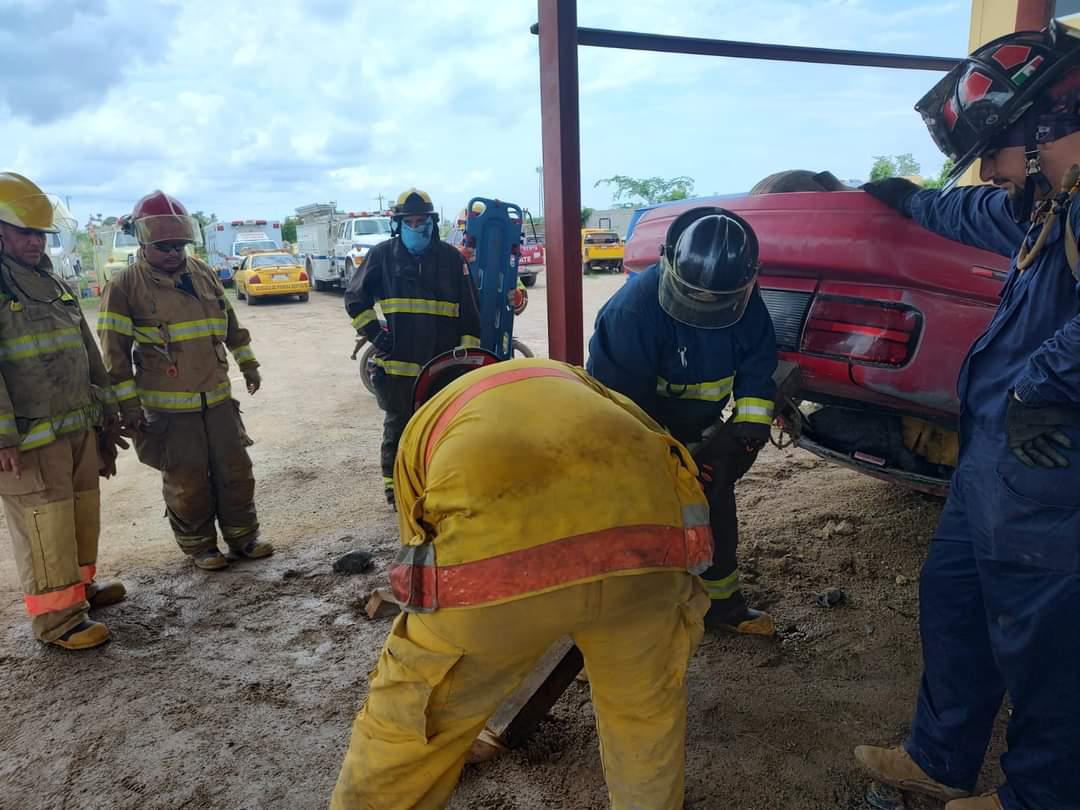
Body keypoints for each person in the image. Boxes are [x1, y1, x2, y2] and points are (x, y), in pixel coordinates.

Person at [855, 23, 1080, 810]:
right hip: (997, 457)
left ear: (1039, 125)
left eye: (994, 147)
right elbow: (981, 216)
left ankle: (1041, 796)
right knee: (953, 594)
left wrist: (1035, 389)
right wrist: (909, 200)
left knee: (1044, 643)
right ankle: (940, 755)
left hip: (1051, 459)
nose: (988, 169)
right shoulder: (1051, 200)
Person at [331, 350, 712, 809]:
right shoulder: (572, 379)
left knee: (406, 731)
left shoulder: (427, 423)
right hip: (645, 561)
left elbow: (417, 545)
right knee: (644, 718)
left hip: (492, 586)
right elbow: (666, 456)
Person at [587, 207, 779, 636]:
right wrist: (669, 460)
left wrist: (743, 436)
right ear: (667, 259)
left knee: (715, 508)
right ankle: (635, 619)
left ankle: (720, 606)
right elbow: (619, 406)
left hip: (704, 432)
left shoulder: (747, 301)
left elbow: (757, 369)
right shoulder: (631, 314)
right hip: (640, 436)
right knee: (641, 525)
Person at [97, 191, 273, 571]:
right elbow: (114, 355)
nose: (175, 253)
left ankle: (244, 538)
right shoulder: (125, 287)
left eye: (180, 245)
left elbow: (229, 326)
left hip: (218, 400)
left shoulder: (203, 273)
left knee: (236, 470)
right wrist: (129, 407)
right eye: (164, 247)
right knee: (187, 479)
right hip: (169, 410)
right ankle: (199, 547)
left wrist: (249, 364)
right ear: (143, 243)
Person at [0, 172, 125, 650]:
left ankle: (80, 592)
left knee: (79, 512)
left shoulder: (49, 280)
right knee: (44, 525)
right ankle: (57, 622)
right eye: (25, 232)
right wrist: (4, 437)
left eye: (40, 234)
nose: (35, 241)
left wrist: (106, 407)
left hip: (75, 427)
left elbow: (86, 348)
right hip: (30, 440)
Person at [343, 188, 481, 510]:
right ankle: (396, 493)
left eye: (423, 221)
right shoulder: (382, 256)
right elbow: (355, 298)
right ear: (399, 224)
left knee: (444, 432)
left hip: (443, 370)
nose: (417, 227)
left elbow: (470, 316)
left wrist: (464, 364)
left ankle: (440, 488)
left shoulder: (451, 260)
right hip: (399, 370)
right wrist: (375, 334)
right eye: (410, 221)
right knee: (398, 431)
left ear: (433, 223)